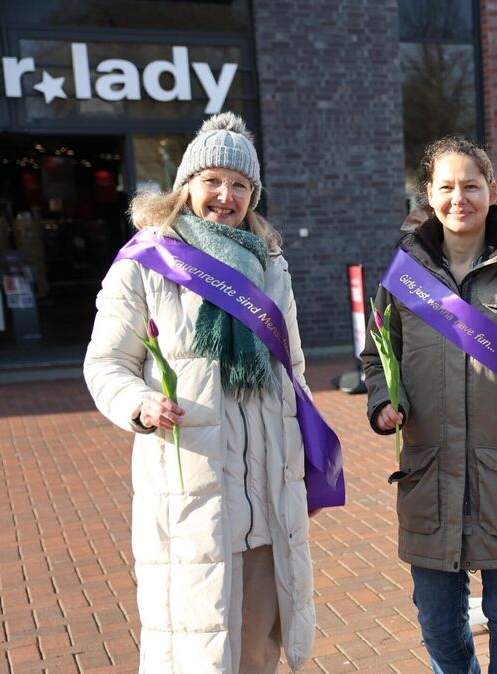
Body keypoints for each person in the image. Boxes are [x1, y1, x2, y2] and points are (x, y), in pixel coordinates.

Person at [83, 112, 315, 672]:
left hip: (265, 495)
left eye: (240, 185)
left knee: (258, 648)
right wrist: (138, 404)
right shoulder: (147, 263)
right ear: (186, 184)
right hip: (192, 494)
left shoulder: (271, 267)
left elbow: (295, 373)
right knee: (195, 644)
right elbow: (107, 363)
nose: (225, 195)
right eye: (213, 180)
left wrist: (303, 456)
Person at [361, 136, 497, 674]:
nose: (460, 197)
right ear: (428, 196)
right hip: (430, 478)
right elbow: (375, 358)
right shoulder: (402, 275)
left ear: (492, 190)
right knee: (437, 623)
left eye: (471, 185)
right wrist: (385, 400)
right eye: (447, 187)